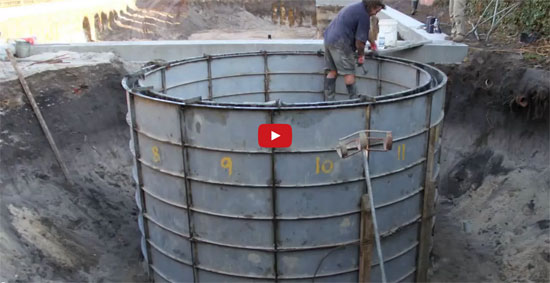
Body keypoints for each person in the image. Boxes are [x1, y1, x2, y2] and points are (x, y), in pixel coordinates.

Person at [323, 0, 385, 100]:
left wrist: (373, 44)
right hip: (341, 43)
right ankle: (354, 100)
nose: (375, 14)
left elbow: (365, 31)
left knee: (332, 71)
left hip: (329, 38)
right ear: (372, 6)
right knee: (349, 72)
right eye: (376, 11)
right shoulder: (364, 15)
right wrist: (361, 55)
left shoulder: (357, 7)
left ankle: (328, 100)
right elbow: (360, 42)